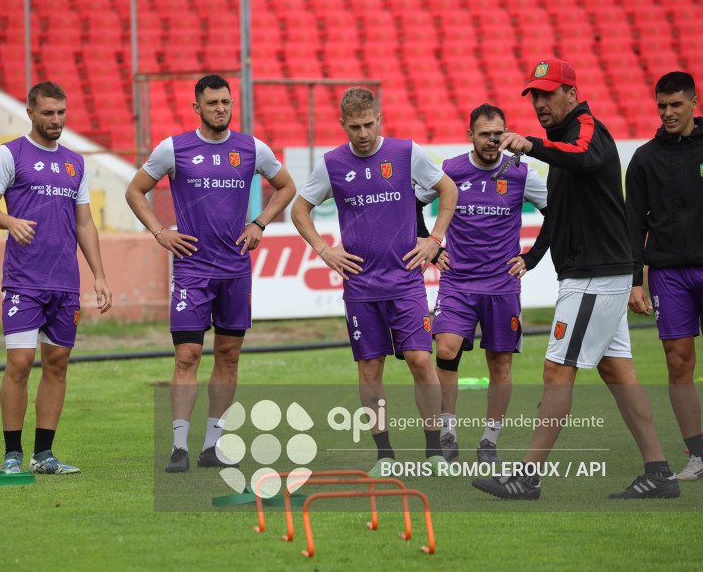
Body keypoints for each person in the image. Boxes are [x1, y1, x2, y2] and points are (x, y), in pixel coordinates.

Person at [471, 59, 680, 500]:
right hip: (596, 274)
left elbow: (584, 155)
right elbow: (558, 213)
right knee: (618, 372)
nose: (540, 103)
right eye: (534, 95)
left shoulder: (584, 130)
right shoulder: (560, 144)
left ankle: (527, 478)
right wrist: (533, 258)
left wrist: (531, 145)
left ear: (571, 93)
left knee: (556, 370)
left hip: (594, 276)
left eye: (548, 93)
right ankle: (659, 472)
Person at [125, 75, 296, 473]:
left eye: (226, 102)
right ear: (196, 108)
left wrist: (260, 222)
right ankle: (179, 447)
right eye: (213, 103)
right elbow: (134, 190)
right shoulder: (173, 149)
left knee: (228, 355)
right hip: (192, 270)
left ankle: (212, 446)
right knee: (187, 355)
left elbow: (286, 187)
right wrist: (160, 231)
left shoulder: (252, 148)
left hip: (235, 269)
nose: (221, 108)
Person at [291, 87, 458, 475]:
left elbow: (447, 188)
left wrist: (434, 239)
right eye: (354, 127)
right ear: (342, 124)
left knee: (421, 360)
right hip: (361, 287)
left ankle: (434, 451)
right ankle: (385, 457)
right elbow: (300, 209)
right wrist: (324, 250)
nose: (363, 133)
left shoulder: (405, 153)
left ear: (378, 119)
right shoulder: (332, 163)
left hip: (406, 282)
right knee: (370, 369)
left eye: (368, 124)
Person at [0, 81, 112, 475]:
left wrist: (99, 275)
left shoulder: (75, 163)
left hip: (65, 283)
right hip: (24, 280)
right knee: (20, 362)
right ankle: (12, 455)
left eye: (61, 112)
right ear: (31, 113)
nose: (56, 120)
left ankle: (43, 455)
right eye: (48, 113)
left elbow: (84, 223)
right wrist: (9, 221)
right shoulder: (10, 153)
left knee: (57, 364)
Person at [626, 71, 703, 481]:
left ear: (694, 103)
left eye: (676, 104)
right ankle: (698, 461)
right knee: (678, 362)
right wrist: (635, 280)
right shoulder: (644, 158)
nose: (668, 112)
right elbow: (633, 226)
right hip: (667, 276)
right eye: (662, 105)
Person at [415, 104, 549, 464]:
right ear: (470, 135)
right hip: (458, 283)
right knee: (446, 349)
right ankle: (447, 432)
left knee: (500, 364)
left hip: (502, 286)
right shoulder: (451, 170)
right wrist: (432, 248)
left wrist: (532, 258)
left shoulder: (521, 172)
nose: (492, 140)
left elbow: (557, 212)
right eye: (484, 134)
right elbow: (413, 203)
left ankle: (489, 441)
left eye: (497, 134)